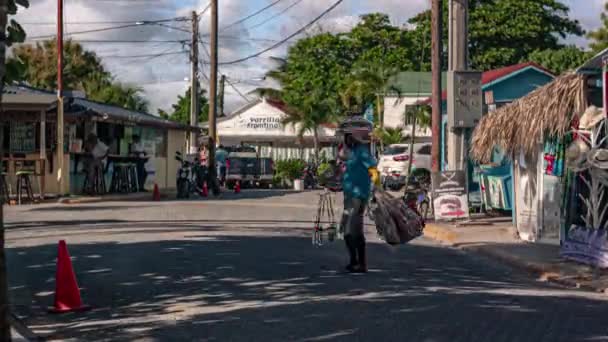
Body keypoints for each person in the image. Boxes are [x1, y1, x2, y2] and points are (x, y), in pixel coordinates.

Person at [338, 126, 379, 273]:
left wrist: (375, 186)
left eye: (349, 136)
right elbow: (350, 172)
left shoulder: (361, 150)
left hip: (358, 196)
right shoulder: (352, 152)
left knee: (354, 230)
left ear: (354, 137)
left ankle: (362, 263)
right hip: (349, 196)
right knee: (346, 231)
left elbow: (373, 167)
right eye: (345, 137)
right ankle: (353, 261)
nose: (346, 139)